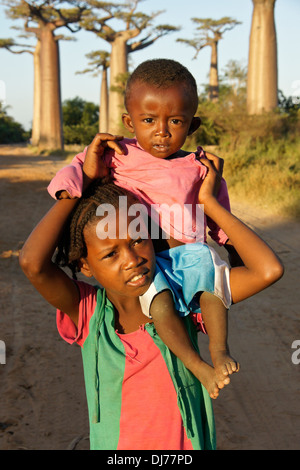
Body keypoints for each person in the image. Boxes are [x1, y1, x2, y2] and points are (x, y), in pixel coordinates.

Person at [19, 152, 283, 450]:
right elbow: (32, 263)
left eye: (138, 240)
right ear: (85, 266)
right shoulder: (89, 313)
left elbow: (268, 269)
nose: (132, 260)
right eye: (111, 254)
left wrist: (210, 204)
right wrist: (79, 185)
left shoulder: (183, 297)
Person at [46, 59, 259, 397]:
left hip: (191, 254)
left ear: (192, 124)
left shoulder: (199, 166)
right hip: (151, 261)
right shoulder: (117, 152)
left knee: (214, 294)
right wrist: (70, 187)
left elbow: (219, 214)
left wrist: (232, 249)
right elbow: (78, 168)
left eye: (175, 121)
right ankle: (197, 365)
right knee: (159, 308)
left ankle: (219, 350)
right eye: (148, 120)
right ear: (129, 122)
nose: (161, 130)